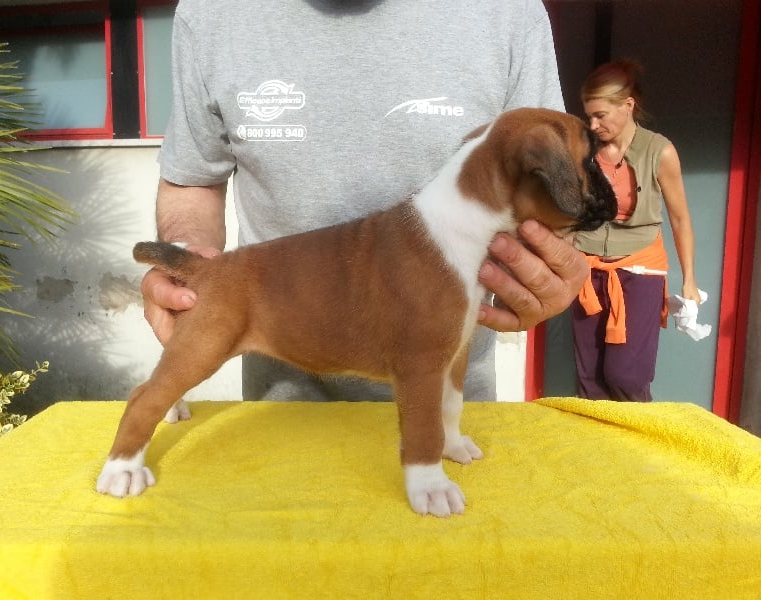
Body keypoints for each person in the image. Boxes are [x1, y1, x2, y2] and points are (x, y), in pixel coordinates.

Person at [142, 0, 590, 404]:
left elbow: (549, 191)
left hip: (449, 403)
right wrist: (186, 260)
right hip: (284, 402)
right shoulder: (211, 14)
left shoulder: (509, 13)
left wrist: (543, 272)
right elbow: (194, 180)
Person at [571, 60, 701, 402]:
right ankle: (595, 435)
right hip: (586, 267)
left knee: (626, 375)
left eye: (601, 115)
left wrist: (689, 279)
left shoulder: (660, 151)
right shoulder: (582, 149)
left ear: (628, 105)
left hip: (640, 268)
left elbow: (680, 219)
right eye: (589, 116)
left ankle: (637, 431)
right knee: (590, 377)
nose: (593, 125)